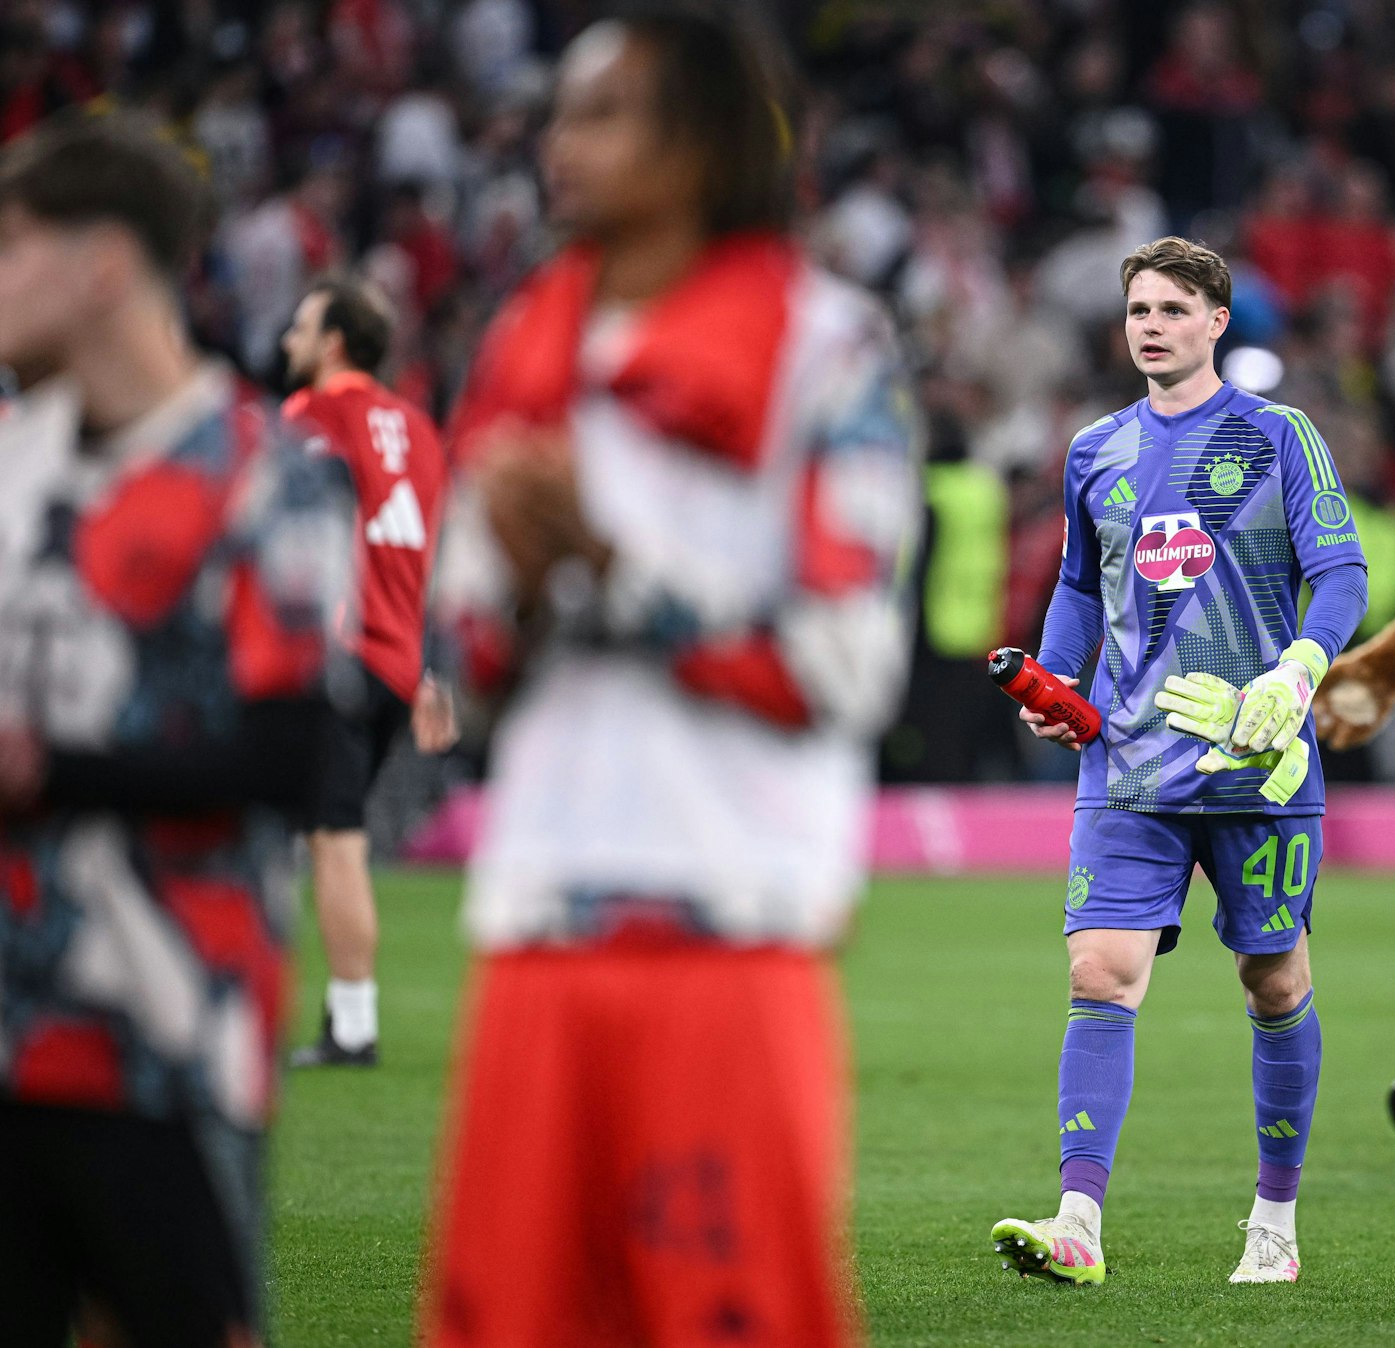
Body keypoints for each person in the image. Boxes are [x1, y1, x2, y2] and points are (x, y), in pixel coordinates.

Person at [422, 8, 918, 1344]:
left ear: (697, 143)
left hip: (730, 917)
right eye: (557, 113)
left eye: (601, 113)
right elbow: (454, 668)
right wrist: (524, 587)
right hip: (533, 915)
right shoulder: (524, 340)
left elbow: (842, 663)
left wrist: (601, 571)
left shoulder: (828, 347)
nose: (555, 145)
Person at [0, 113, 352, 1346]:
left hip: (161, 1026)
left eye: (11, 246)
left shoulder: (260, 473)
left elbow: (295, 752)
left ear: (101, 265)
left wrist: (54, 770)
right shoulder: (10, 464)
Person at [991, 236, 1368, 1286]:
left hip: (1257, 761)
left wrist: (1296, 673)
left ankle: (1275, 1223)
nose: (1149, 324)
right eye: (1137, 309)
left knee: (1272, 977)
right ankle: (1077, 1222)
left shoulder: (1278, 435)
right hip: (1131, 760)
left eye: (1170, 308)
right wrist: (1057, 687)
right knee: (1099, 969)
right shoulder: (1095, 450)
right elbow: (1077, 586)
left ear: (1214, 323)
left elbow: (1339, 572)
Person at [280, 275, 454, 1069]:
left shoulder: (310, 418)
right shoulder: (418, 429)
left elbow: (304, 542)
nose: (289, 340)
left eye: (302, 327)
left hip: (339, 659)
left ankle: (352, 1024)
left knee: (333, 839)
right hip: (398, 657)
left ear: (335, 344)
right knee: (326, 835)